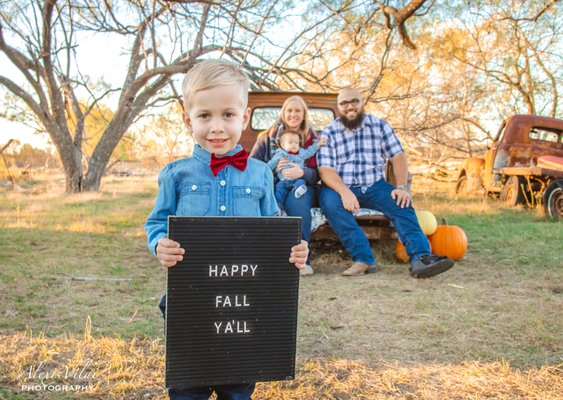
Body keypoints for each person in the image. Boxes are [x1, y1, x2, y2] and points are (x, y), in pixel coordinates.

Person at [144, 59, 308, 400]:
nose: (216, 127)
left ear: (244, 118)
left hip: (244, 301)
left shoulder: (261, 174)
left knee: (238, 386)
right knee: (189, 386)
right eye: (205, 116)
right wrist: (160, 243)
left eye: (228, 115)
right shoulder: (176, 175)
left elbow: (275, 228)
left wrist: (293, 248)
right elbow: (157, 222)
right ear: (188, 119)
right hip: (193, 300)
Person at [317, 87, 454, 278]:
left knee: (402, 203)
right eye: (344, 103)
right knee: (330, 203)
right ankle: (364, 259)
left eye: (354, 101)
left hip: (374, 185)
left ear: (362, 101)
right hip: (341, 186)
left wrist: (401, 187)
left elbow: (398, 156)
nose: (350, 107)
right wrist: (344, 192)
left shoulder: (379, 126)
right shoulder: (329, 132)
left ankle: (420, 259)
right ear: (338, 107)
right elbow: (325, 169)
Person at [250, 95, 319, 276]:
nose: (293, 114)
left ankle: (303, 259)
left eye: (298, 111)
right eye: (289, 110)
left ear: (304, 115)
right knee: (274, 202)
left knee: (297, 202)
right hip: (274, 184)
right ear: (283, 113)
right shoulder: (266, 138)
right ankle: (271, 257)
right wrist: (273, 171)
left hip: (302, 184)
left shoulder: (312, 139)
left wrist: (302, 172)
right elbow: (253, 168)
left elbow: (319, 173)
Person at [267, 130, 327, 207]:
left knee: (301, 182)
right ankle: (278, 206)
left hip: (297, 179)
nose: (294, 145)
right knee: (279, 190)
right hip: (284, 180)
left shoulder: (301, 153)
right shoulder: (280, 155)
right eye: (290, 142)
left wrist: (318, 144)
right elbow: (271, 164)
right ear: (283, 145)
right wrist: (267, 169)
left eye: (296, 143)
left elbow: (309, 151)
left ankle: (298, 191)